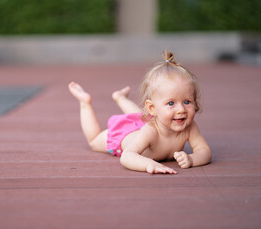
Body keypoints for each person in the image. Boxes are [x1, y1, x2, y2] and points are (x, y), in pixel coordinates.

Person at [68, 50, 211, 174]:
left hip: (145, 122)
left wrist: (192, 159)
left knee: (139, 117)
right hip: (126, 135)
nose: (181, 110)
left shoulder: (189, 126)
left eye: (187, 102)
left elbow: (204, 151)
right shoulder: (151, 131)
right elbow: (127, 156)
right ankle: (85, 102)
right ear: (152, 108)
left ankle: (120, 98)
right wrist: (147, 164)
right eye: (171, 103)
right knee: (94, 140)